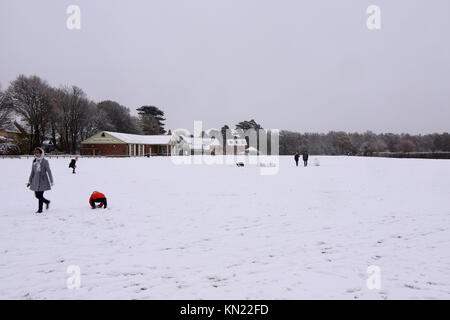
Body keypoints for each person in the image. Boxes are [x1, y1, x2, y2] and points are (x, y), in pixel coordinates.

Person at [27, 147, 54, 213]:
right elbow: (32, 172)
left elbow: (49, 171)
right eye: (35, 153)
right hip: (35, 181)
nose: (36, 154)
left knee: (40, 195)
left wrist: (51, 180)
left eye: (38, 153)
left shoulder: (45, 161)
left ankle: (40, 209)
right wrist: (29, 181)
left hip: (43, 181)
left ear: (41, 153)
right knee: (37, 195)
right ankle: (47, 202)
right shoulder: (34, 161)